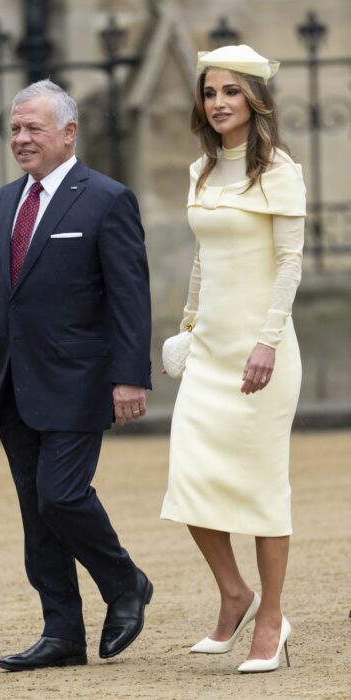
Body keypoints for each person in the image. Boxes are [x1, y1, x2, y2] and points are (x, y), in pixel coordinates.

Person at [0, 79, 153, 671]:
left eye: (34, 128)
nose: (21, 138)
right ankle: (62, 633)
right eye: (15, 128)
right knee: (36, 515)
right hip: (15, 385)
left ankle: (125, 582)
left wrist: (129, 376)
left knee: (60, 497)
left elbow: (129, 298)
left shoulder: (107, 199)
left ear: (69, 132)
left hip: (80, 381)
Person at [161, 45, 306, 673]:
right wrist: (188, 327)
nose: (218, 103)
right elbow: (203, 258)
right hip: (211, 351)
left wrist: (267, 341)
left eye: (230, 92)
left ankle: (270, 619)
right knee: (189, 479)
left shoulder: (279, 169)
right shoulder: (198, 171)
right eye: (210, 92)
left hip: (262, 354)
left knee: (261, 490)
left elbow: (289, 263)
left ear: (255, 99)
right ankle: (234, 593)